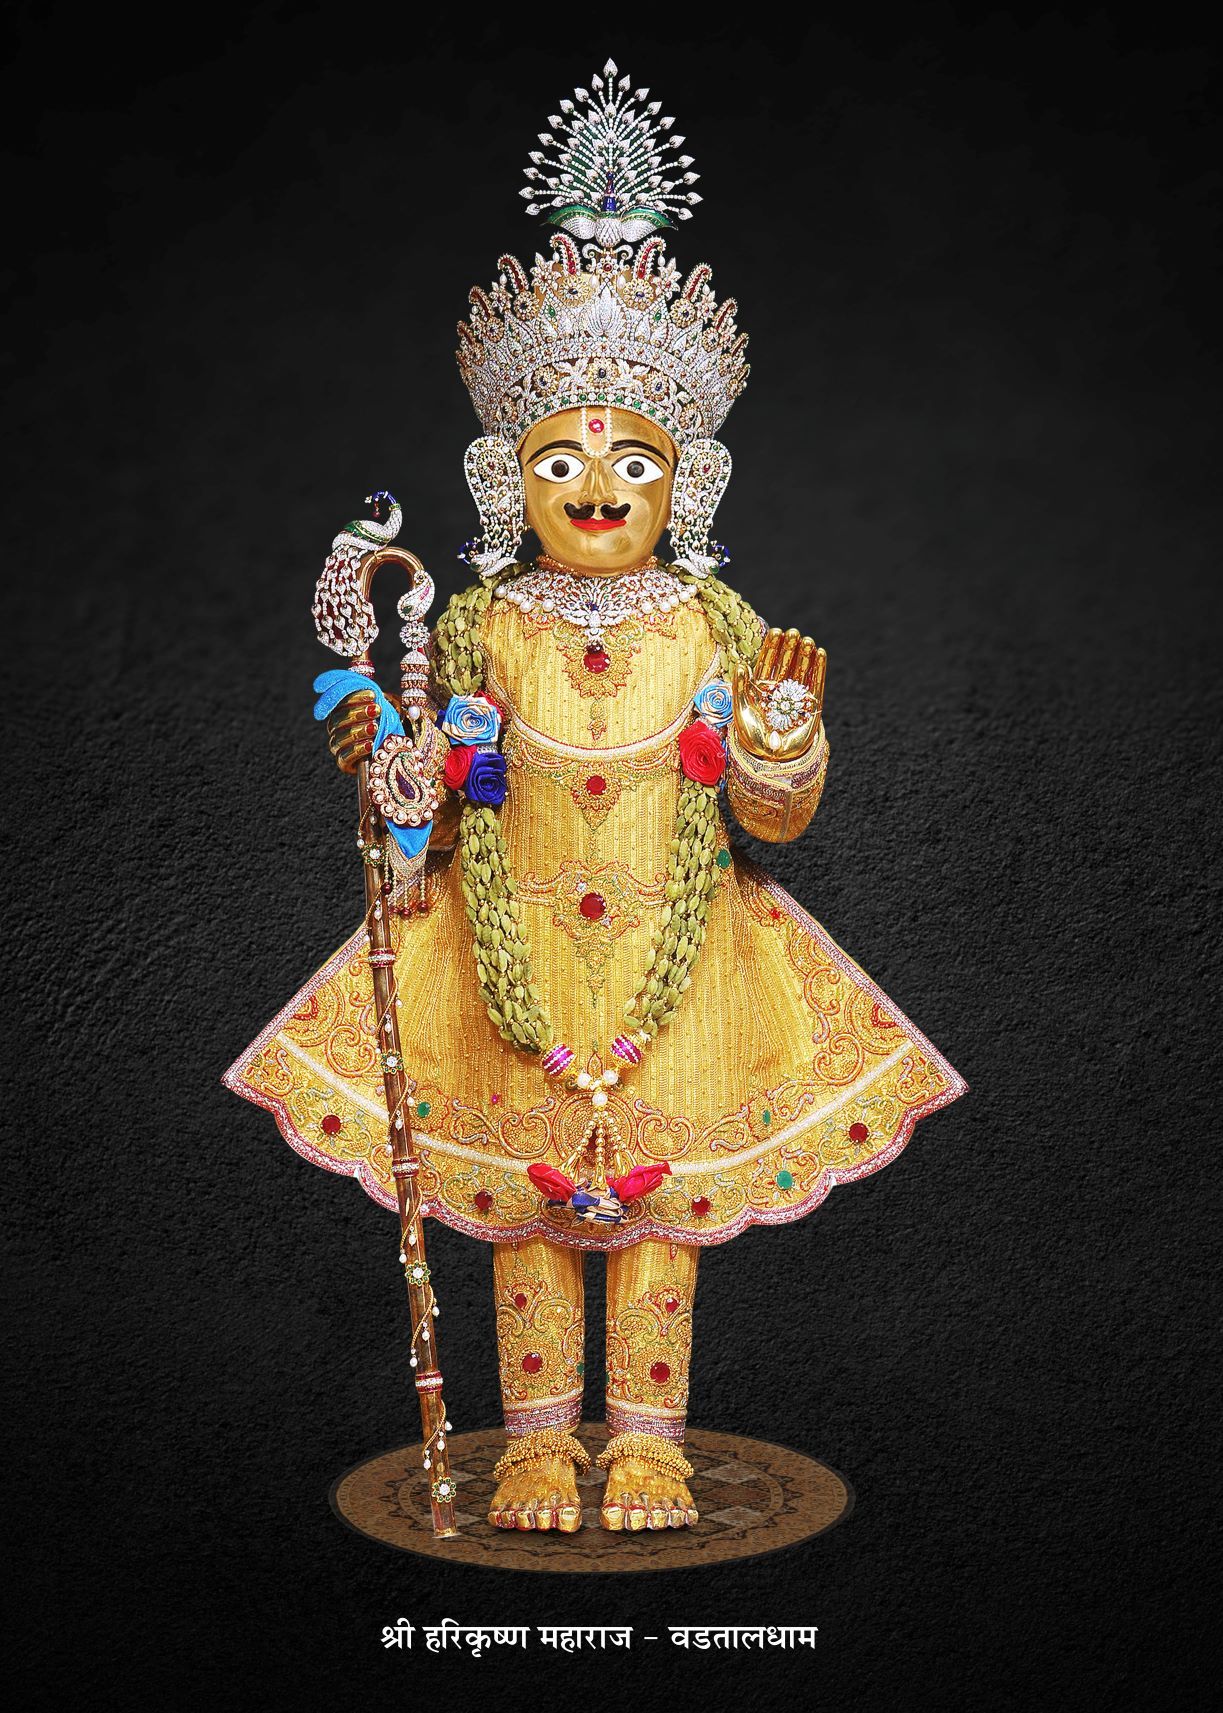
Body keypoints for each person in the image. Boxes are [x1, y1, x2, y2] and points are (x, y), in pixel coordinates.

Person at [225, 60, 965, 1536]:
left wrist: (781, 738)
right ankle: (537, 1446)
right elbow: (427, 804)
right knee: (522, 1202)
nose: (599, 484)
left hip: (680, 969)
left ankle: (647, 1445)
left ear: (691, 483)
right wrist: (391, 766)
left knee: (660, 1208)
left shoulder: (714, 625)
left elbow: (773, 819)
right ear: (505, 479)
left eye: (635, 459)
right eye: (560, 458)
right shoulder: (478, 627)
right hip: (511, 963)